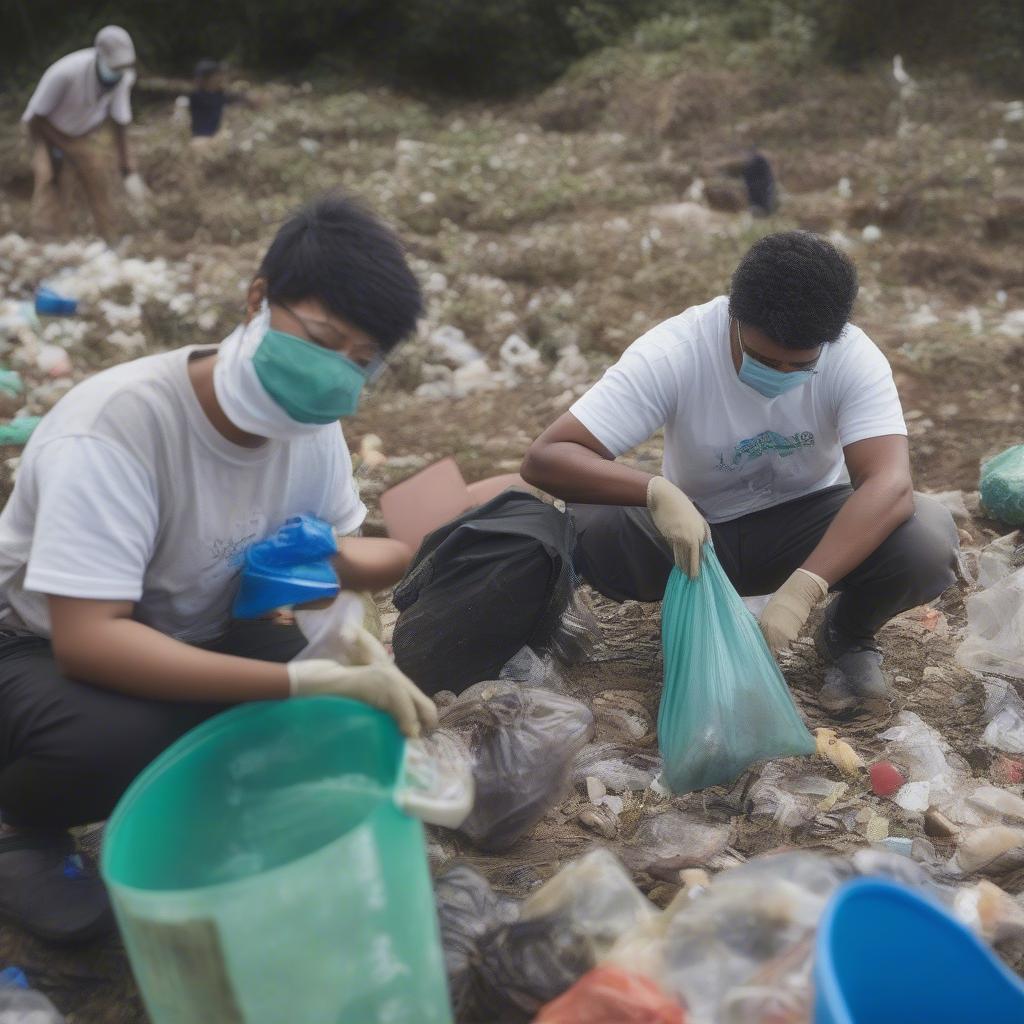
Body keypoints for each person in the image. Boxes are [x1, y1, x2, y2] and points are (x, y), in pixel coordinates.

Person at [0, 193, 436, 943]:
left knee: (336, 721)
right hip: (36, 646)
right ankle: (18, 822)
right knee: (121, 737)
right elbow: (89, 640)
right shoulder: (118, 427)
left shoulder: (312, 428)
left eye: (361, 361)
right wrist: (298, 677)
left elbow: (341, 551)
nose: (335, 374)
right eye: (323, 338)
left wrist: (348, 638)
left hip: (198, 627)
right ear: (258, 300)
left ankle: (209, 811)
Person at [522, 230, 958, 697]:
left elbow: (889, 482)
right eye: (765, 360)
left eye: (800, 367)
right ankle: (546, 629)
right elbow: (547, 457)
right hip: (692, 533)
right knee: (585, 525)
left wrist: (808, 586)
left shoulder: (851, 356)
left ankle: (846, 635)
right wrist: (655, 491)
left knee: (925, 539)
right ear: (735, 317)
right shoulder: (676, 351)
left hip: (803, 532)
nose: (781, 376)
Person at [21, 26, 146, 243]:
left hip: (81, 133)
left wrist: (128, 167)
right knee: (50, 179)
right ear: (99, 55)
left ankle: (110, 239)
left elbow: (120, 121)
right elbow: (36, 118)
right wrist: (58, 151)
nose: (117, 72)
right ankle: (48, 242)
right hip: (46, 130)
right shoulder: (65, 73)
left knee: (98, 176)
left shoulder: (122, 77)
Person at [188, 59, 251, 140]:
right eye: (217, 75)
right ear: (208, 78)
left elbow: (235, 99)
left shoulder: (218, 94)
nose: (221, 78)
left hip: (215, 136)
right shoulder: (197, 97)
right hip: (202, 138)